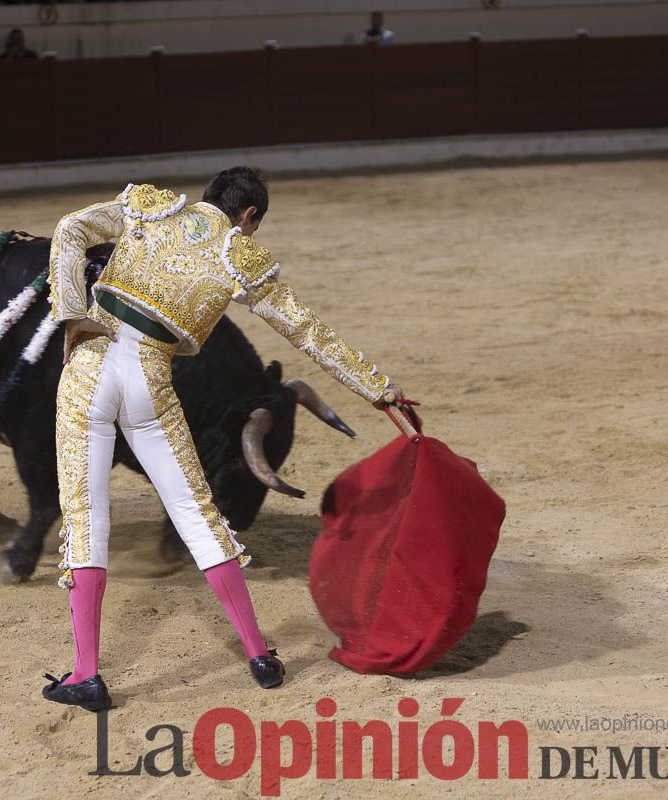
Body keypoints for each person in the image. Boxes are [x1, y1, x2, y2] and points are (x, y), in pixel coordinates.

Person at [41, 168, 406, 711]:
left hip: (90, 368)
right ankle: (259, 655)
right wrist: (377, 388)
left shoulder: (151, 208)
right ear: (249, 215)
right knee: (198, 512)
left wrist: (72, 314)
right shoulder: (239, 255)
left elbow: (71, 228)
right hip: (151, 381)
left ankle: (87, 674)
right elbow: (307, 330)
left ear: (210, 196)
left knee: (85, 514)